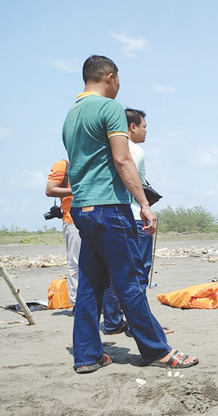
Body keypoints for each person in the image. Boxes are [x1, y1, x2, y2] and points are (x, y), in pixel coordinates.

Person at [62, 55, 197, 373]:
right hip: (110, 207)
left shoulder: (71, 114)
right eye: (118, 80)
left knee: (89, 285)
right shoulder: (108, 107)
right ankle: (156, 350)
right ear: (109, 77)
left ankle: (87, 355)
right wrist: (145, 204)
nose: (119, 86)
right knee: (129, 283)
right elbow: (123, 160)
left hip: (82, 209)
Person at [101, 108, 169, 335]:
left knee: (114, 272)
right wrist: (145, 206)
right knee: (139, 273)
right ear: (132, 127)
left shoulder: (105, 149)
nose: (146, 131)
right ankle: (139, 325)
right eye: (144, 126)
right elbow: (132, 182)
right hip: (134, 216)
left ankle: (112, 322)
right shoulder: (134, 151)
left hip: (112, 217)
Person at [46, 159, 80, 307]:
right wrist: (77, 190)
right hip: (72, 221)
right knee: (75, 263)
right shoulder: (63, 165)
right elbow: (50, 189)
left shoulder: (95, 161)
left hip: (96, 219)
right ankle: (77, 303)